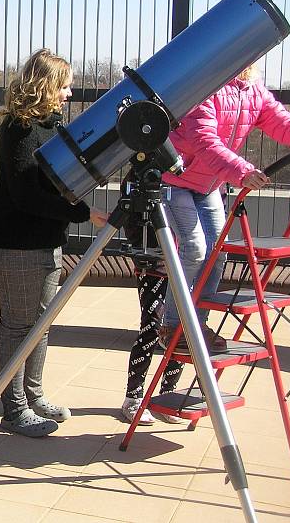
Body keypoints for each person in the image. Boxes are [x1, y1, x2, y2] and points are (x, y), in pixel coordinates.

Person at [0, 49, 107, 436]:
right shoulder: (20, 129)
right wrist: (82, 214)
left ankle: (33, 395)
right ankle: (14, 408)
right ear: (46, 85)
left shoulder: (52, 128)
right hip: (15, 243)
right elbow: (25, 196)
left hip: (44, 241)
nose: (69, 93)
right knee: (19, 326)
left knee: (42, 324)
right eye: (65, 86)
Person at [158, 65, 290, 354]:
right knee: (194, 248)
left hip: (209, 185)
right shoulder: (207, 83)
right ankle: (170, 324)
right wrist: (242, 171)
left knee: (218, 253)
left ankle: (197, 325)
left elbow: (286, 127)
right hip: (177, 180)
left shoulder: (253, 89)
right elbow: (205, 142)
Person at [119, 171, 184, 425]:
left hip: (184, 264)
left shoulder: (193, 172)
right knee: (151, 326)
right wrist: (148, 255)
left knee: (180, 328)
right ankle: (133, 397)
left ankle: (169, 392)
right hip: (154, 265)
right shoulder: (142, 173)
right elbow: (129, 216)